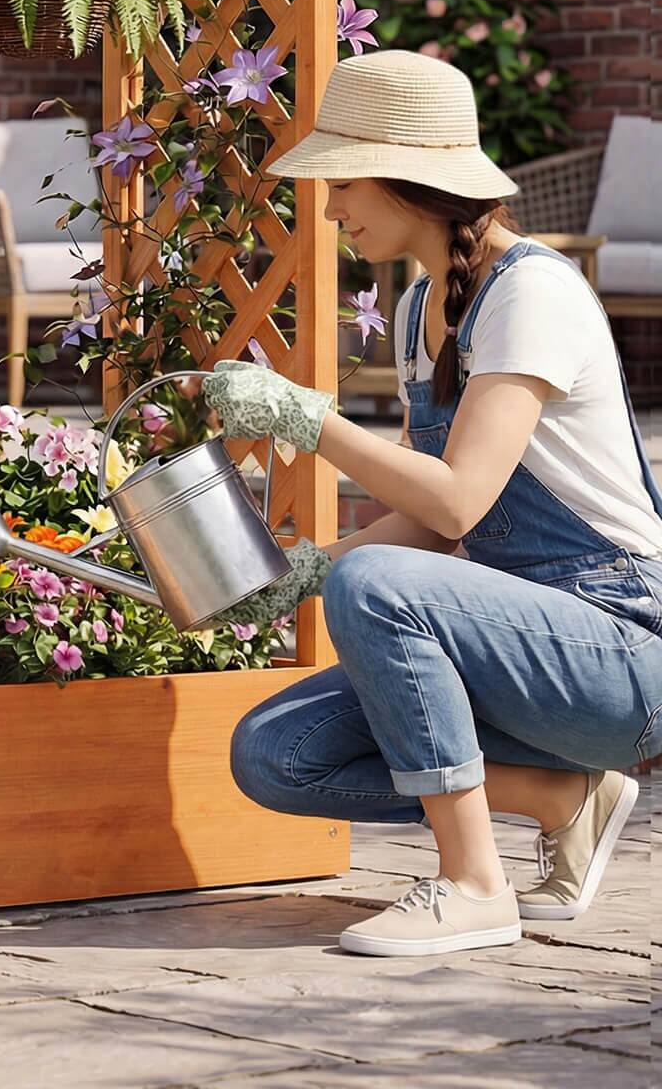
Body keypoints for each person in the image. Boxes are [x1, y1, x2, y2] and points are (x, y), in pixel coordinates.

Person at [202, 49, 662, 959]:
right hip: (517, 650)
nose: (330, 209)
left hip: (621, 652)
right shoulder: (420, 310)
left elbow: (458, 506)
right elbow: (428, 516)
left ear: (407, 177)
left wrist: (307, 420)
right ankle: (569, 798)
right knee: (274, 754)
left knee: (377, 584)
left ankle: (472, 884)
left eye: (343, 182)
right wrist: (297, 575)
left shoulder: (530, 293)